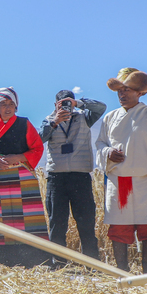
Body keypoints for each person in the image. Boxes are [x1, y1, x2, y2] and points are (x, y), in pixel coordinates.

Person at [95, 68, 147, 274]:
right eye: (119, 90)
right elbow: (100, 144)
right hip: (118, 181)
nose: (122, 94)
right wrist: (108, 153)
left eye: (127, 89)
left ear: (140, 92)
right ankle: (122, 272)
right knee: (119, 227)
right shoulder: (110, 118)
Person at [0, 87, 51, 267]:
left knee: (28, 217)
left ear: (16, 106)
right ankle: (2, 259)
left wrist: (18, 157)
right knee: (0, 216)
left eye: (11, 104)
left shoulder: (24, 124)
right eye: (3, 104)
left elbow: (37, 148)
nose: (7, 108)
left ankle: (33, 259)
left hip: (23, 176)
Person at [40, 89, 106, 263]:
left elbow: (101, 107)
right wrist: (54, 122)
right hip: (56, 178)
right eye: (61, 103)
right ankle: (59, 263)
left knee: (86, 223)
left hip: (80, 176)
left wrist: (80, 104)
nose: (65, 107)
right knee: (57, 222)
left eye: (68, 103)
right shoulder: (48, 120)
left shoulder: (84, 117)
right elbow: (39, 139)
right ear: (55, 105)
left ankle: (91, 264)